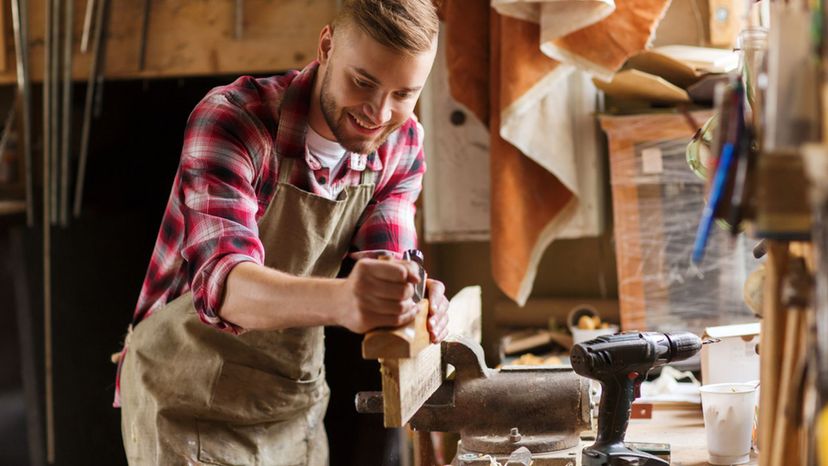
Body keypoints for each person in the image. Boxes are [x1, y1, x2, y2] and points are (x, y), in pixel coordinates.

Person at [116, 1, 448, 464]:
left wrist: (410, 297)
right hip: (185, 400)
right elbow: (225, 285)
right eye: (363, 82)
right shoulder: (234, 120)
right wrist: (347, 301)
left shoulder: (402, 141)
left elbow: (388, 258)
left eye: (403, 94)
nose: (378, 112)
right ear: (327, 46)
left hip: (291, 402)